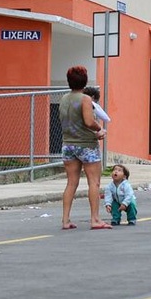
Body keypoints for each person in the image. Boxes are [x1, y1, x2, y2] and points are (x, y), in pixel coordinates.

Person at [59, 65, 111, 230]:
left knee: (71, 183)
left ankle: (65, 220)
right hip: (86, 145)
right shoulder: (85, 99)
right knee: (93, 183)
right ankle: (95, 219)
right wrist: (99, 129)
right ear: (85, 81)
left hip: (68, 144)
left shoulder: (64, 99)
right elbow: (88, 122)